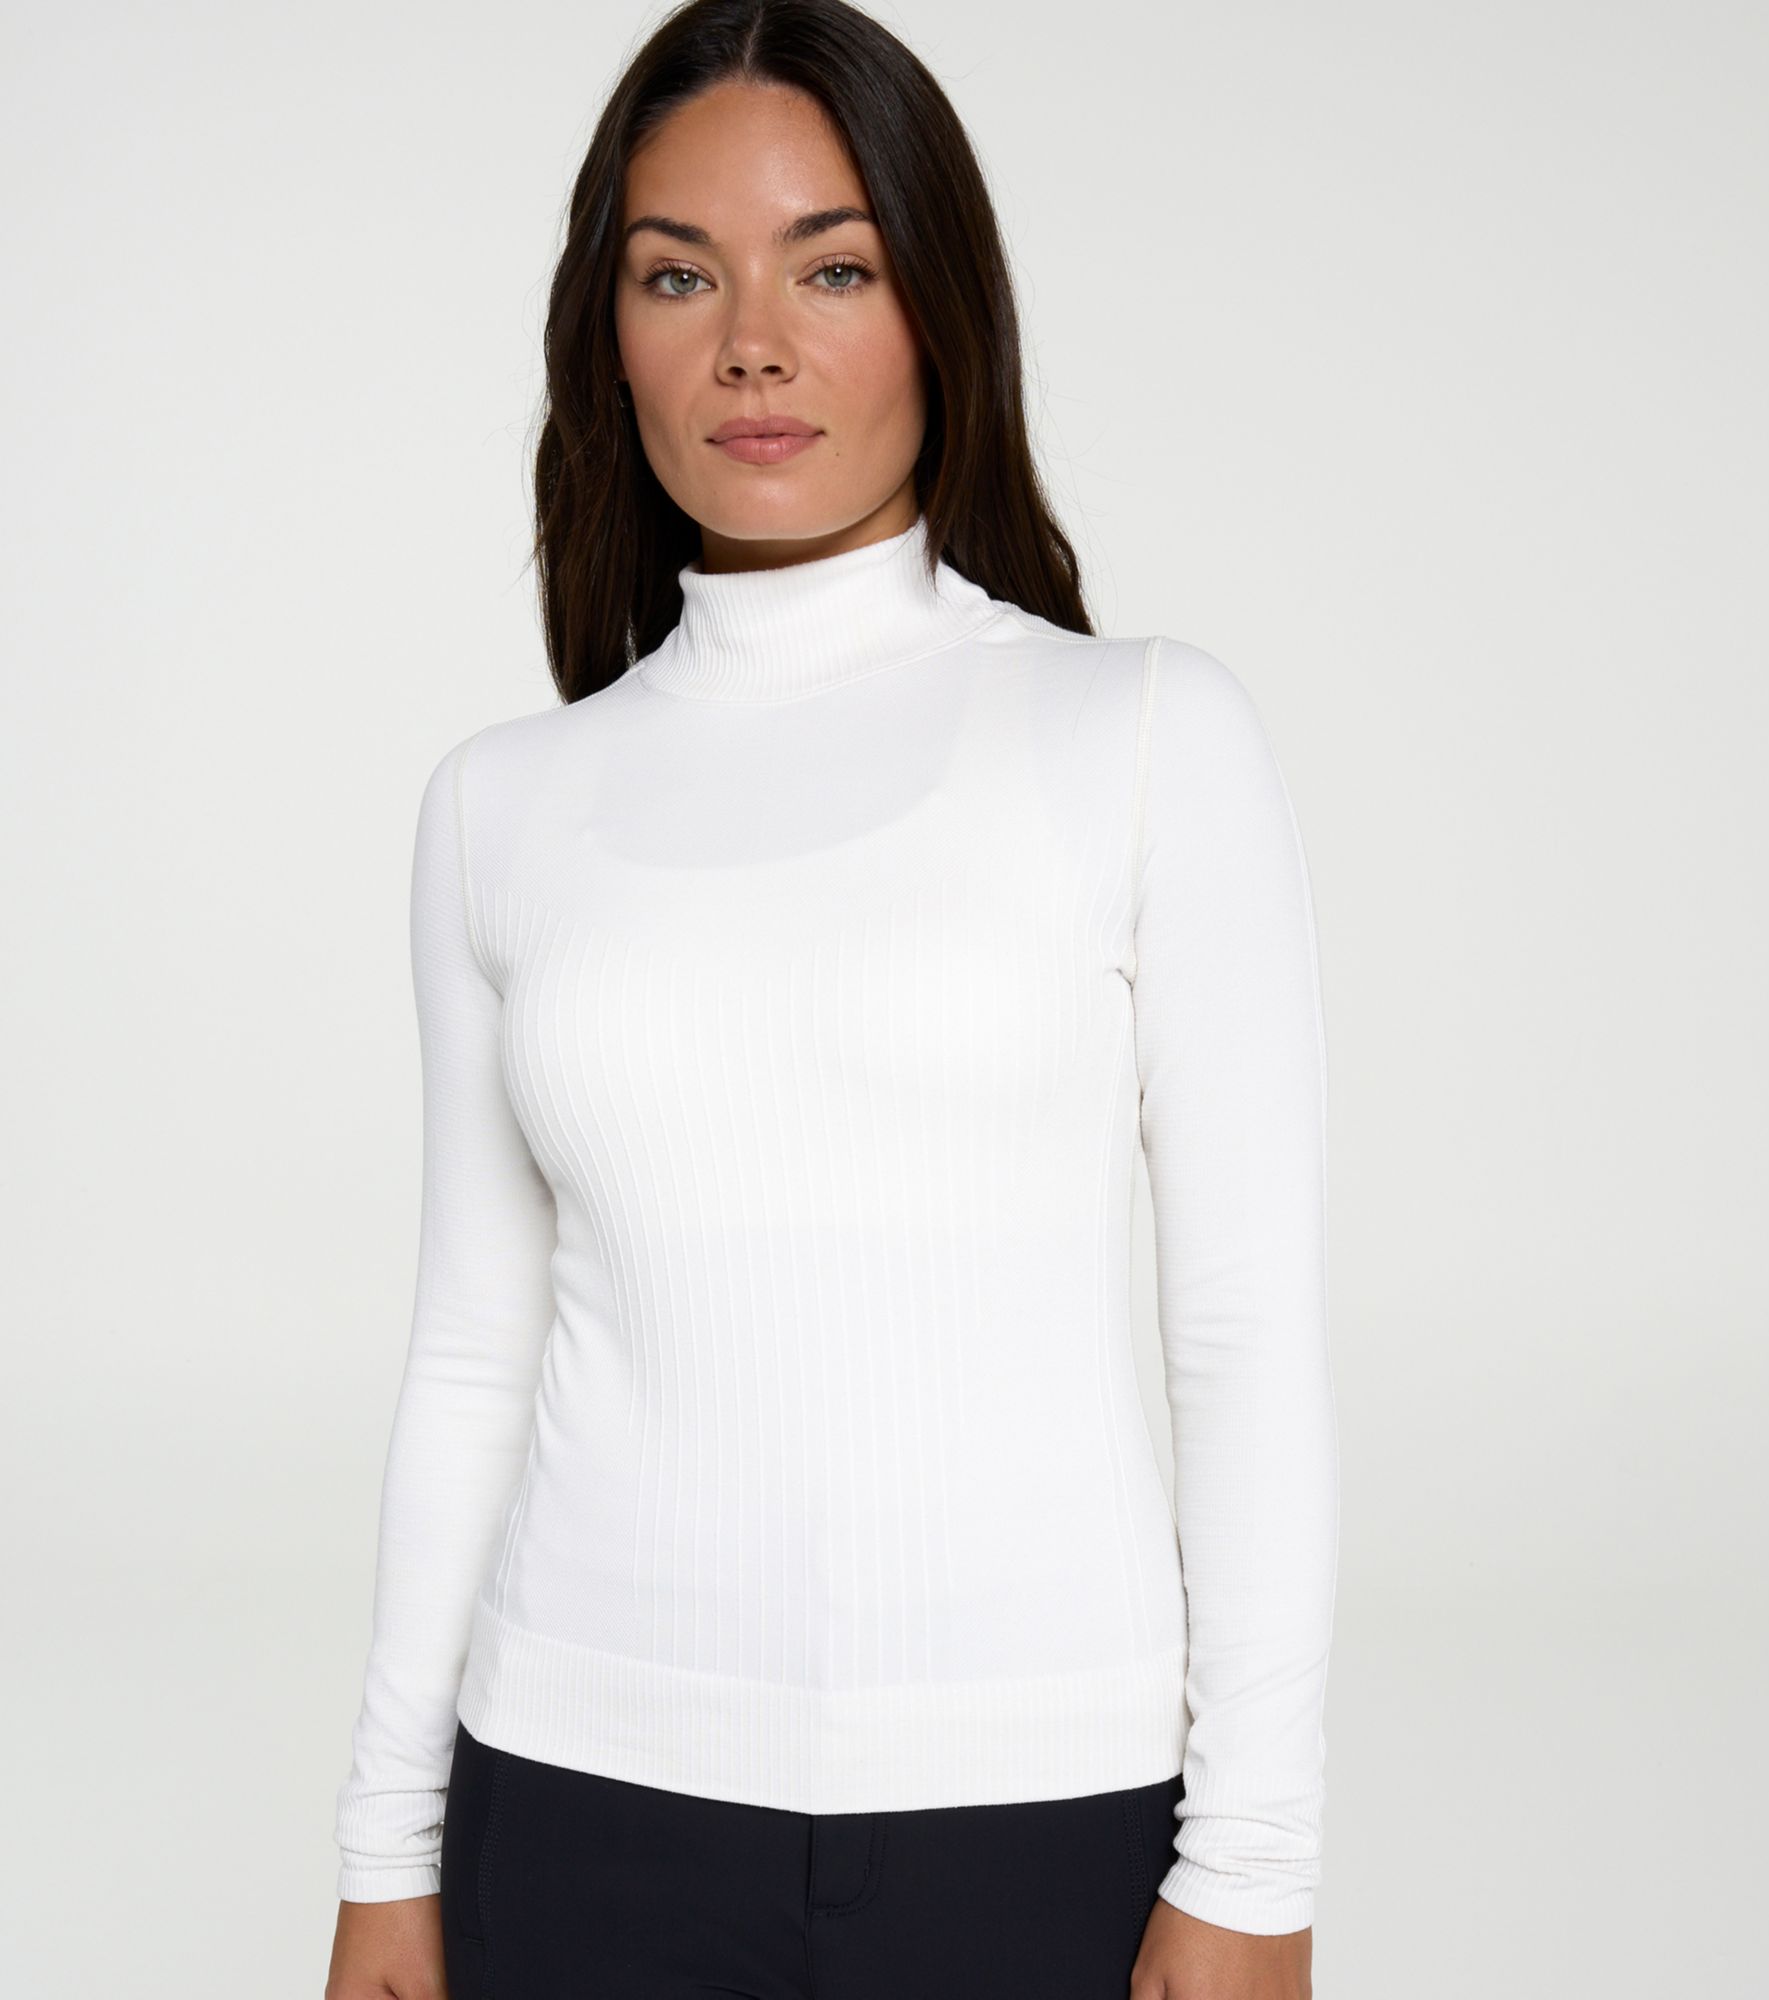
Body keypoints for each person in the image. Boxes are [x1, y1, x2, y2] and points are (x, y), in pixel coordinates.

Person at [324, 2, 1339, 1995]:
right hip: (574, 1807)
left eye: (834, 267)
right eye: (677, 274)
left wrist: (1255, 1864)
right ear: (607, 336)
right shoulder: (500, 808)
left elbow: (1239, 1335)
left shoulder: (1142, 735)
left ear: (940, 309)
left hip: (1037, 1817)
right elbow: (470, 1352)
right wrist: (383, 1848)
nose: (752, 345)